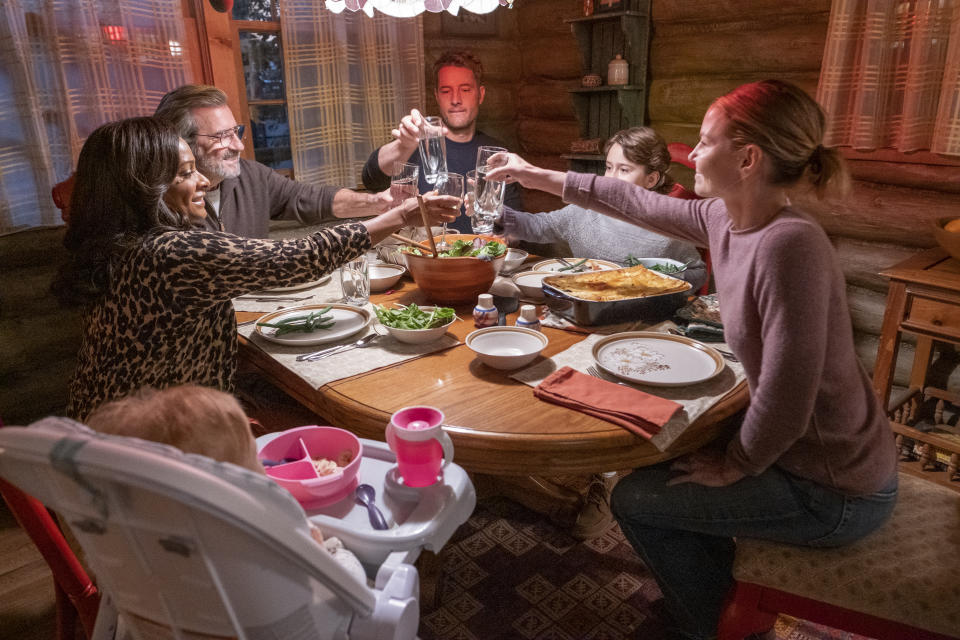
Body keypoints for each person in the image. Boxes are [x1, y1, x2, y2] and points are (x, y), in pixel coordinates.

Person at [484, 80, 898, 640]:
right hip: (799, 461)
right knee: (663, 456)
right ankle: (718, 597)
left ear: (748, 158)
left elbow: (786, 395)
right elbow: (631, 199)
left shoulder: (789, 245)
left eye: (705, 142)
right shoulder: (726, 218)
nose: (693, 154)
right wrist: (536, 176)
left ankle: (716, 627)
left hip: (832, 487)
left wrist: (738, 464)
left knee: (635, 497)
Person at [54, 117, 457, 421]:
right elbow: (292, 259)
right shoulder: (167, 253)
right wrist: (398, 216)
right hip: (150, 441)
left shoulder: (122, 243)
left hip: (112, 424)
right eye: (184, 173)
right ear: (141, 187)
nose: (204, 183)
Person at [85, 384, 366, 580]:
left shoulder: (134, 553)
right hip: (293, 621)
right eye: (252, 456)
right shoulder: (272, 531)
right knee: (356, 565)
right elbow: (340, 588)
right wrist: (328, 548)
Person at [154, 84, 393, 238]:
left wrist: (380, 202)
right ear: (180, 142)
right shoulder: (160, 202)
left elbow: (310, 199)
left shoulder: (251, 176)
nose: (238, 145)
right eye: (221, 137)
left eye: (236, 132)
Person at [498, 126, 706, 293]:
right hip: (589, 303)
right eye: (608, 167)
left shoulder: (667, 226)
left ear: (651, 179)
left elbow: (697, 273)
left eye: (624, 170)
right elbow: (538, 226)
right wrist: (496, 212)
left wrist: (654, 281)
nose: (611, 178)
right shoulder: (586, 212)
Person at [361, 50, 522, 233]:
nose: (455, 100)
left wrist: (500, 240)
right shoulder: (414, 142)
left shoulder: (496, 155)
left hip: (478, 256)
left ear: (481, 94)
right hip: (421, 256)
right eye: (446, 91)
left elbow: (515, 229)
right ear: (437, 96)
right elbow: (370, 179)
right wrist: (402, 145)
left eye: (465, 90)